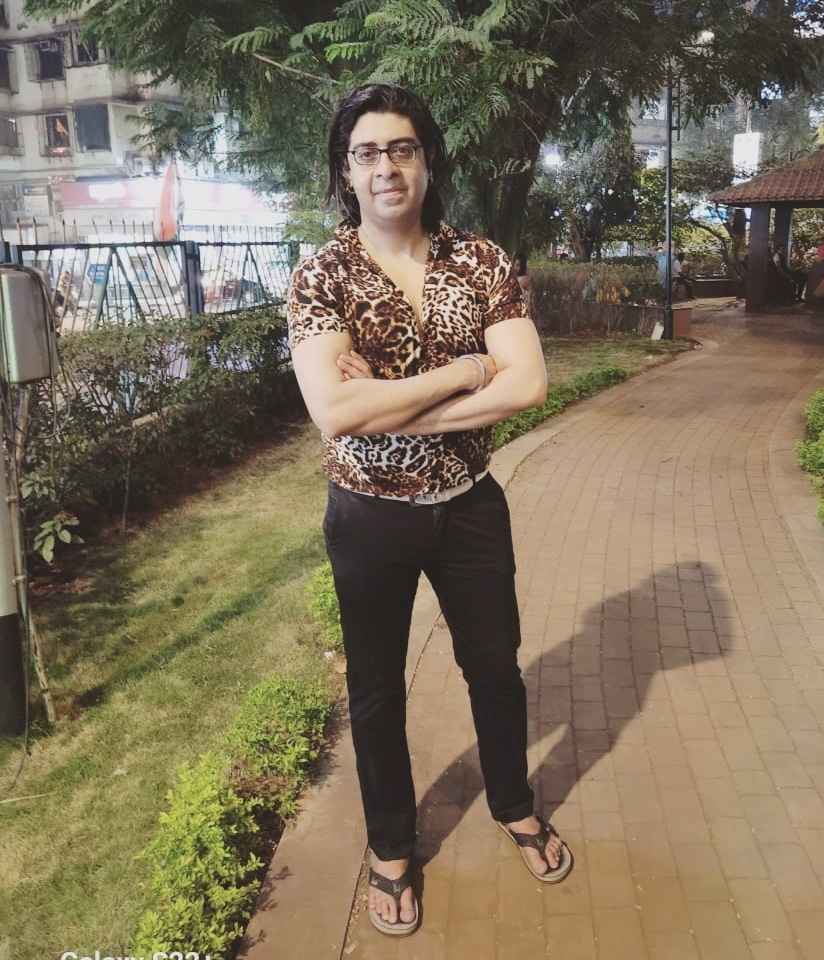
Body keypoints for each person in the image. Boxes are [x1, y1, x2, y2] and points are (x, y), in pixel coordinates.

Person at [286, 84, 572, 939]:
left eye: (401, 148)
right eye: (367, 153)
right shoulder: (322, 275)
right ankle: (391, 847)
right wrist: (464, 373)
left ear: (427, 160)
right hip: (368, 514)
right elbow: (333, 412)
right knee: (376, 690)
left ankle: (513, 803)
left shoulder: (481, 262)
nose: (386, 167)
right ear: (346, 171)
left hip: (470, 505)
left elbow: (529, 383)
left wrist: (395, 407)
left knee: (496, 668)